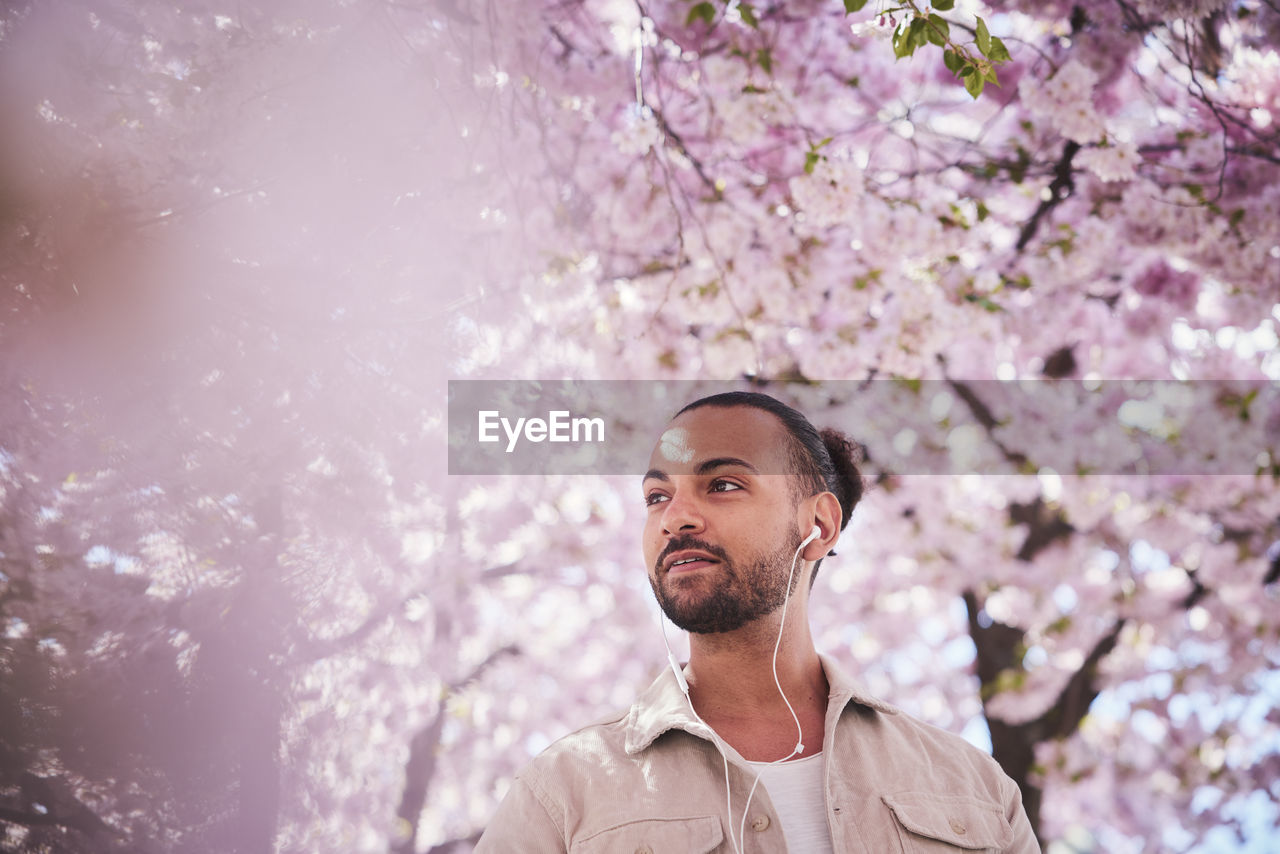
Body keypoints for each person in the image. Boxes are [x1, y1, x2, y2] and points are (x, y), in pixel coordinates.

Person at [475, 391, 1038, 853]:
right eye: (656, 496)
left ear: (818, 525)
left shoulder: (976, 790)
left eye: (722, 484)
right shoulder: (562, 792)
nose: (676, 518)